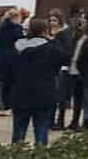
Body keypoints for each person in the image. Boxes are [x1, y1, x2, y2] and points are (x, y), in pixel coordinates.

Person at [10, 17, 63, 146]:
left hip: (20, 92)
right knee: (41, 128)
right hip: (44, 93)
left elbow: (10, 71)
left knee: (19, 130)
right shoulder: (50, 48)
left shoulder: (17, 47)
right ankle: (40, 158)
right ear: (45, 31)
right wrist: (53, 40)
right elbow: (64, 58)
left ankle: (15, 157)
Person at [0, 7, 24, 115]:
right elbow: (21, 43)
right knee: (12, 84)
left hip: (2, 58)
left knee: (3, 84)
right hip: (13, 59)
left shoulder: (2, 28)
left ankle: (1, 107)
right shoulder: (17, 28)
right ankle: (8, 106)